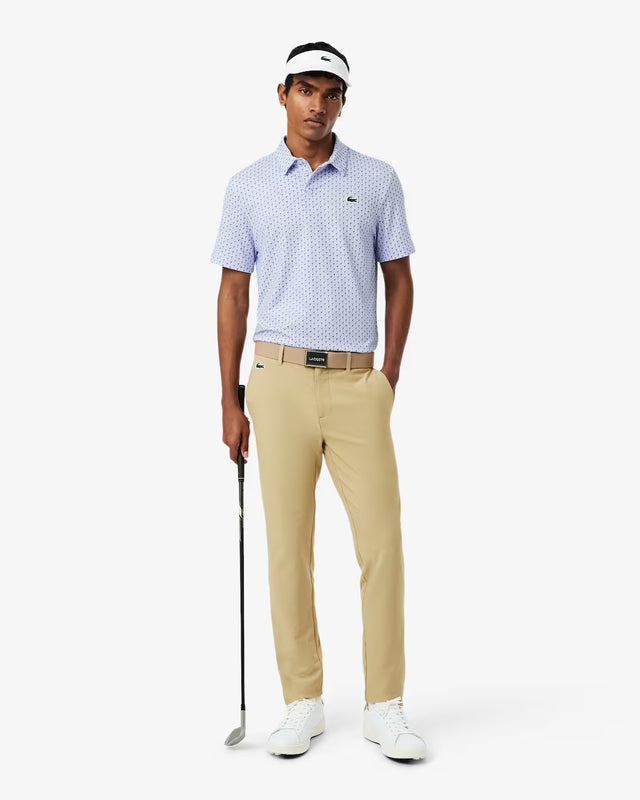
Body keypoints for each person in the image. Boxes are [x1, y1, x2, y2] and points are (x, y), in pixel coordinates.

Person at [211, 41, 427, 761]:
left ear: (343, 102)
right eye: (306, 89)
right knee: (287, 549)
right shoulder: (248, 186)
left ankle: (384, 705)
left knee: (382, 545)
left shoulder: (377, 178)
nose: (318, 105)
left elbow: (400, 279)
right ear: (282, 94)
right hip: (275, 383)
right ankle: (302, 700)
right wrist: (229, 400)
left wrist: (388, 376)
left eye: (331, 93)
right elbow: (233, 292)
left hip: (357, 383)